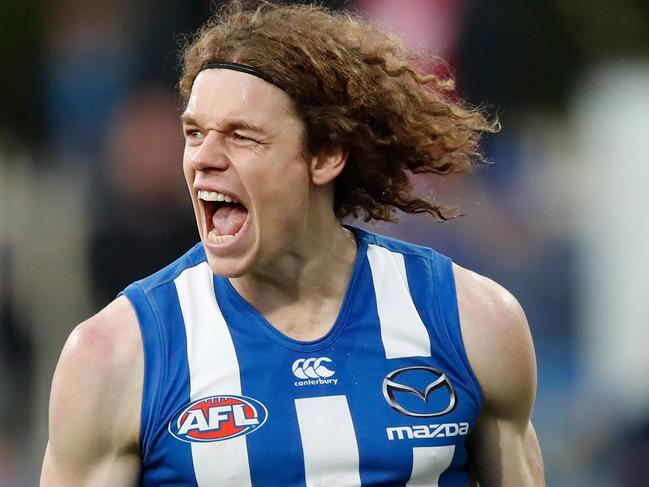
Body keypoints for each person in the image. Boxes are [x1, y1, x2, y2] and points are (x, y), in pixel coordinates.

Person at [40, 2, 544, 486]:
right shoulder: (116, 354)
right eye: (194, 133)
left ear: (324, 156)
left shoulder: (472, 320)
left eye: (242, 136)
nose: (204, 159)